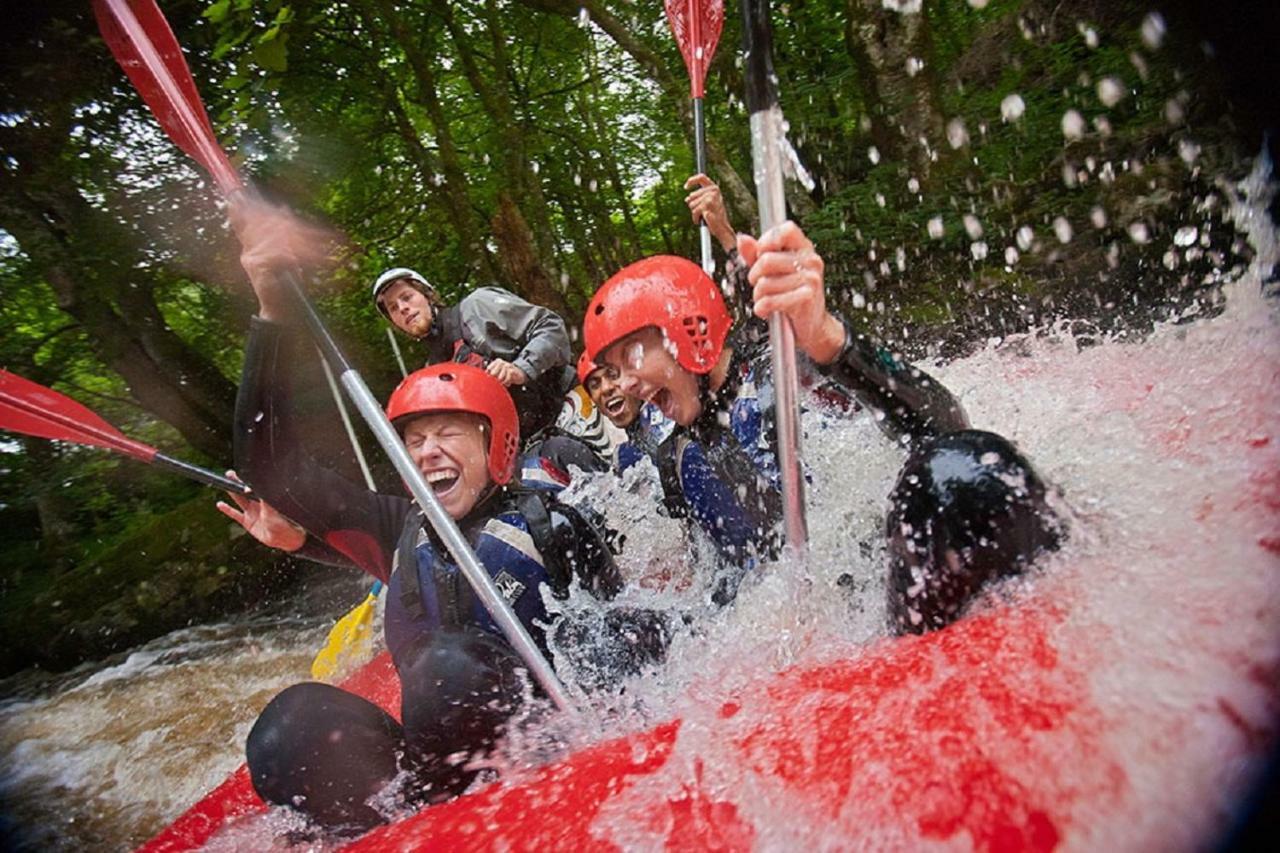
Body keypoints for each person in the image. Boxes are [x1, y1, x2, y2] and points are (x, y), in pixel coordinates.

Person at [228, 201, 666, 833]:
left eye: (449, 432)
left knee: (446, 669)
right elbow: (269, 465)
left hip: (539, 748)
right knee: (285, 730)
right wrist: (271, 310)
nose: (427, 451)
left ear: (498, 445)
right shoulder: (399, 526)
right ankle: (392, 832)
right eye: (415, 439)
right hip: (430, 783)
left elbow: (630, 638)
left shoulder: (553, 522)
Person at [582, 220, 1062, 631]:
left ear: (686, 330)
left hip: (882, 590)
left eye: (629, 359)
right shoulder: (675, 459)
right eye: (611, 371)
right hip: (805, 636)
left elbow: (944, 425)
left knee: (965, 471)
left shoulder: (788, 373)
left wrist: (828, 338)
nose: (624, 386)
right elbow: (720, 588)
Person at [372, 266, 576, 442]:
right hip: (534, 442)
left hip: (570, 402)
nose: (403, 308)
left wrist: (520, 369)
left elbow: (550, 327)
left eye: (407, 297)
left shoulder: (478, 305)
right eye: (393, 308)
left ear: (428, 295)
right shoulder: (433, 374)